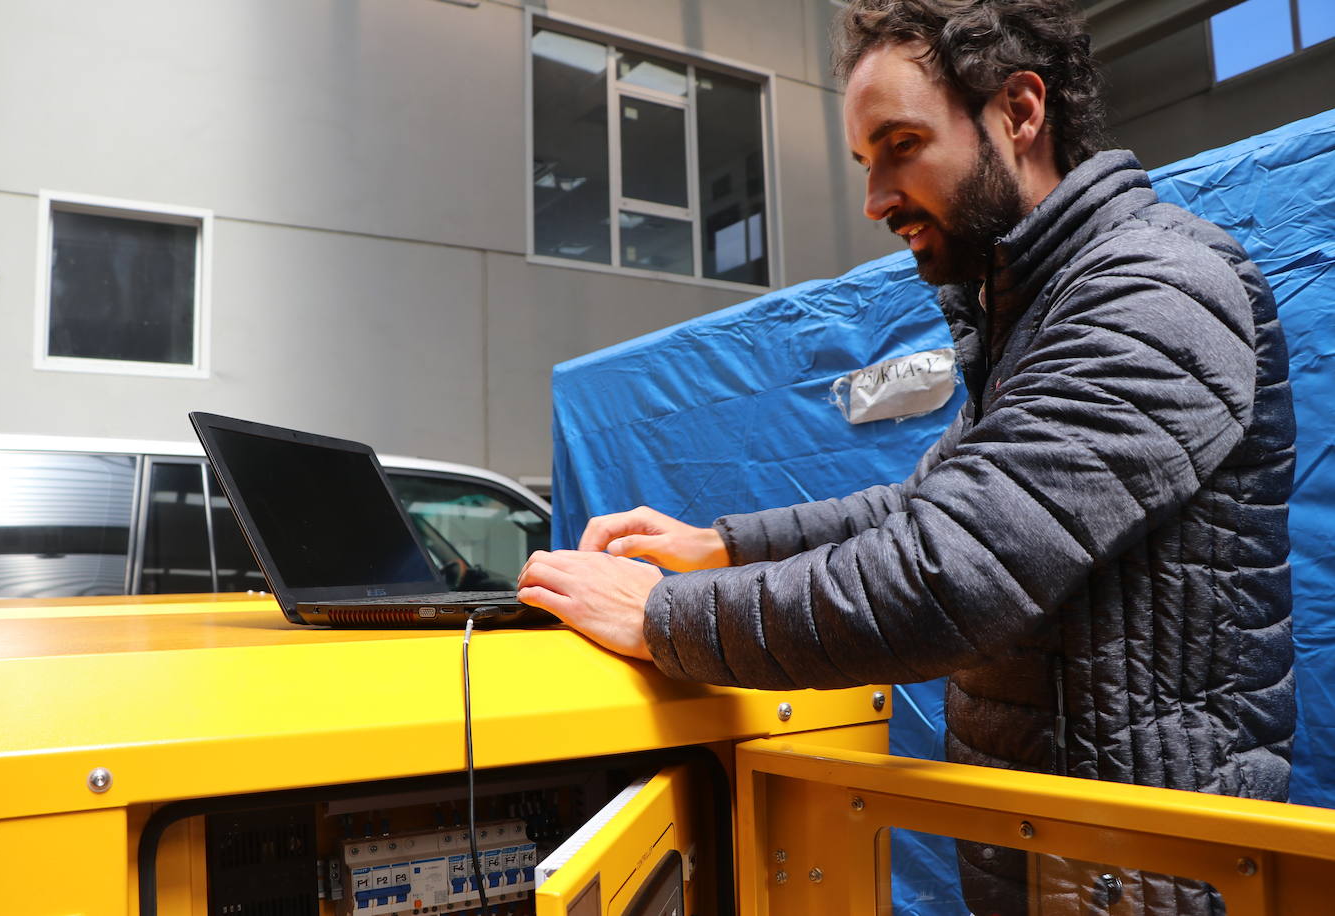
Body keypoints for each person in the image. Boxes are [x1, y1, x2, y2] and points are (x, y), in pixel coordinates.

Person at [518, 1, 1296, 912]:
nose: (875, 198)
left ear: (1020, 111)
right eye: (865, 160)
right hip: (1065, 851)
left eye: (900, 144)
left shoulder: (1156, 293)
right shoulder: (1029, 312)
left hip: (1150, 873)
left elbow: (950, 572)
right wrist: (720, 545)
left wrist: (667, 616)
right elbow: (932, 508)